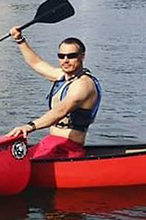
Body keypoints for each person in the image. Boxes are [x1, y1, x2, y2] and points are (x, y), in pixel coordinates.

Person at [6, 28, 102, 159]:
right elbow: (36, 63)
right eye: (61, 56)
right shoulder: (63, 76)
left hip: (68, 149)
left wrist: (29, 126)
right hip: (52, 143)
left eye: (71, 56)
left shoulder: (84, 85)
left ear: (82, 56)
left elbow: (61, 111)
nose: (65, 60)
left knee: (19, 159)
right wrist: (20, 39)